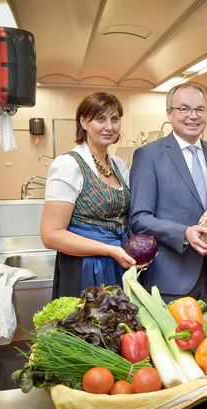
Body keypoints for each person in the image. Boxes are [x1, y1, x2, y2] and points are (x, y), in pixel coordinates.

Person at [129, 83, 207, 311]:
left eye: (200, 110)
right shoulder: (148, 155)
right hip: (170, 279)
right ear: (169, 113)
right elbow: (139, 218)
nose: (193, 116)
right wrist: (184, 233)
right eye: (184, 109)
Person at [41, 92, 139, 298]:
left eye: (115, 119)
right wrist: (109, 250)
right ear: (83, 121)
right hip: (85, 269)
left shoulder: (118, 165)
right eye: (100, 119)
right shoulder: (69, 164)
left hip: (117, 264)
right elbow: (51, 235)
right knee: (87, 328)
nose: (109, 127)